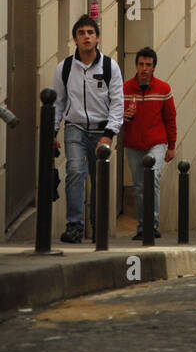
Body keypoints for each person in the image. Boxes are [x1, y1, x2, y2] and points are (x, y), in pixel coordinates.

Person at [52, 16, 124, 243]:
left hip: (101, 130)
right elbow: (57, 103)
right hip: (75, 128)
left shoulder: (109, 66)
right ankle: (74, 226)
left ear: (98, 37)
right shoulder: (64, 68)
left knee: (98, 178)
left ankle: (98, 226)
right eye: (81, 33)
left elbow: (117, 102)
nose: (86, 36)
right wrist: (53, 132)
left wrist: (109, 134)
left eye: (90, 32)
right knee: (74, 172)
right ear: (75, 39)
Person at [122, 48, 177, 239]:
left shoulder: (163, 89)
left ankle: (151, 225)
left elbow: (170, 118)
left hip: (157, 143)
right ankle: (142, 226)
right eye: (141, 64)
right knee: (138, 186)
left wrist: (171, 145)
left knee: (152, 179)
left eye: (148, 65)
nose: (144, 68)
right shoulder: (125, 89)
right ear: (136, 65)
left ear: (154, 67)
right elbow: (114, 116)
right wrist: (123, 117)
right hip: (133, 144)